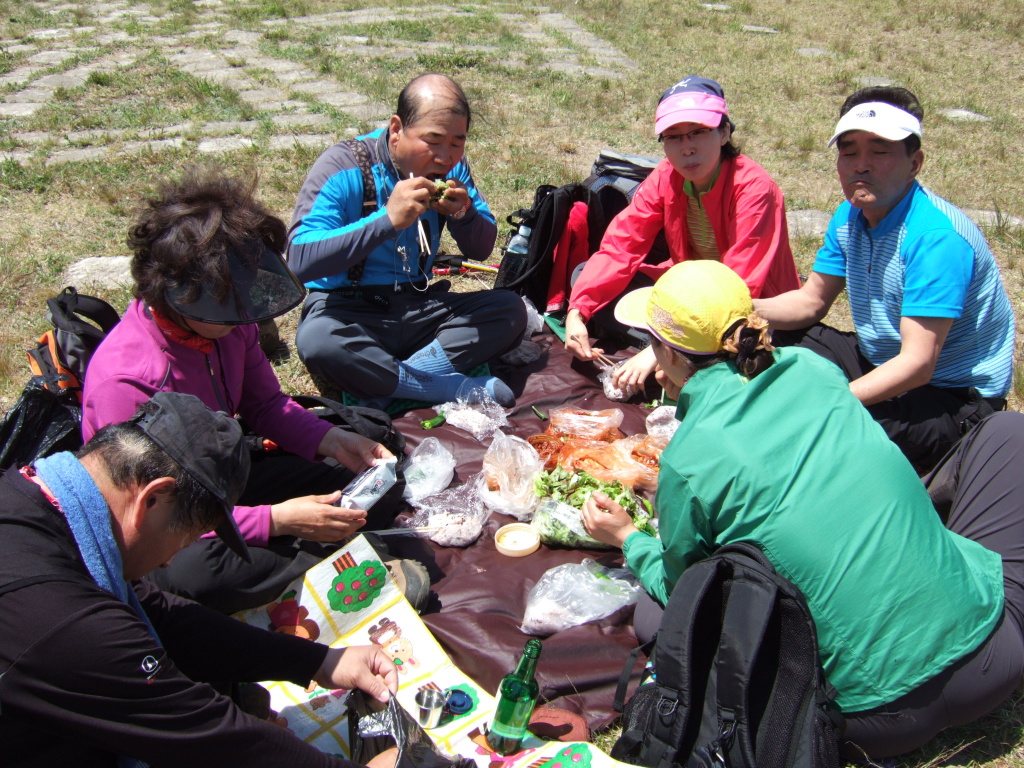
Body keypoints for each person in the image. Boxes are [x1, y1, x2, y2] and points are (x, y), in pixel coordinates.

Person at [581, 260, 1024, 759]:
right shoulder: (815, 368)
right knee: (1010, 433)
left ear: (670, 357)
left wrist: (627, 539)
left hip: (868, 716)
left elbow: (683, 588)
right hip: (997, 651)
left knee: (654, 612)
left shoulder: (689, 460)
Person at [0, 391, 400, 767]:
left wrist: (318, 660)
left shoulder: (35, 503)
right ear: (152, 499)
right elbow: (205, 735)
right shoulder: (58, 619)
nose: (176, 555)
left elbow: (159, 614)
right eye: (189, 536)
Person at [81, 169, 418, 615]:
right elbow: (141, 522)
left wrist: (334, 441)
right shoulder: (126, 382)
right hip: (169, 515)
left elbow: (265, 404)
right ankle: (331, 560)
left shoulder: (225, 327)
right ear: (178, 295)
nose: (244, 318)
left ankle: (313, 553)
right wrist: (275, 519)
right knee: (196, 575)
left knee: (373, 475)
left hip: (227, 472)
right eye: (227, 304)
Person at [754, 86, 1015, 472]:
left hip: (951, 395)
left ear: (915, 163)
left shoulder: (935, 238)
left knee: (834, 429)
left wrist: (831, 401)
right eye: (849, 151)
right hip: (881, 359)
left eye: (880, 151)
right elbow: (811, 302)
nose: (862, 164)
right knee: (767, 336)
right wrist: (738, 308)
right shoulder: (849, 215)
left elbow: (918, 364)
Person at [287, 73, 527, 410]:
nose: (445, 156)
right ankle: (444, 388)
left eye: (457, 142)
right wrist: (385, 220)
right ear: (397, 129)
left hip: (419, 305)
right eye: (433, 140)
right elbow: (299, 258)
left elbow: (481, 248)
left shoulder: (453, 170)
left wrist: (463, 215)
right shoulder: (345, 165)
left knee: (509, 310)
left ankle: (394, 383)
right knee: (318, 342)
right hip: (349, 310)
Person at [565, 75, 800, 395]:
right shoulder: (666, 175)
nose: (687, 148)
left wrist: (660, 346)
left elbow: (740, 289)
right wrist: (577, 312)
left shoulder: (755, 188)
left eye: (698, 133)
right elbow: (622, 244)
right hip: (688, 294)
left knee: (740, 340)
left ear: (724, 133)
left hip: (749, 309)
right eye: (673, 137)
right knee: (584, 278)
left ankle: (670, 358)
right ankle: (678, 359)